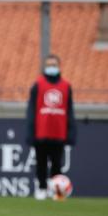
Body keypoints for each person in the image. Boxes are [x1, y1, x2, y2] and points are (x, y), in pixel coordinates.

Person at [25, 54, 76, 200]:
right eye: (49, 65)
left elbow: (70, 110)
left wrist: (71, 133)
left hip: (59, 133)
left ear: (59, 66)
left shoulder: (66, 86)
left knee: (57, 164)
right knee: (41, 162)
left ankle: (58, 191)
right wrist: (31, 132)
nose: (51, 67)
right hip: (41, 132)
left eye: (54, 64)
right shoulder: (38, 85)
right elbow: (31, 110)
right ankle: (41, 188)